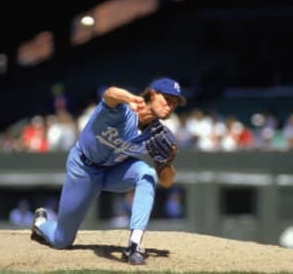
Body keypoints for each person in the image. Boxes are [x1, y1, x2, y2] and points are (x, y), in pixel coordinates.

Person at [30, 77, 186, 265]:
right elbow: (110, 93)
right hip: (84, 168)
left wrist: (168, 162)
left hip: (114, 172)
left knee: (146, 173)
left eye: (175, 103)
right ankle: (40, 224)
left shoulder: (158, 135)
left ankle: (134, 245)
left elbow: (166, 181)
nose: (171, 106)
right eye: (167, 99)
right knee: (61, 240)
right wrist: (130, 98)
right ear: (152, 94)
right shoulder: (122, 111)